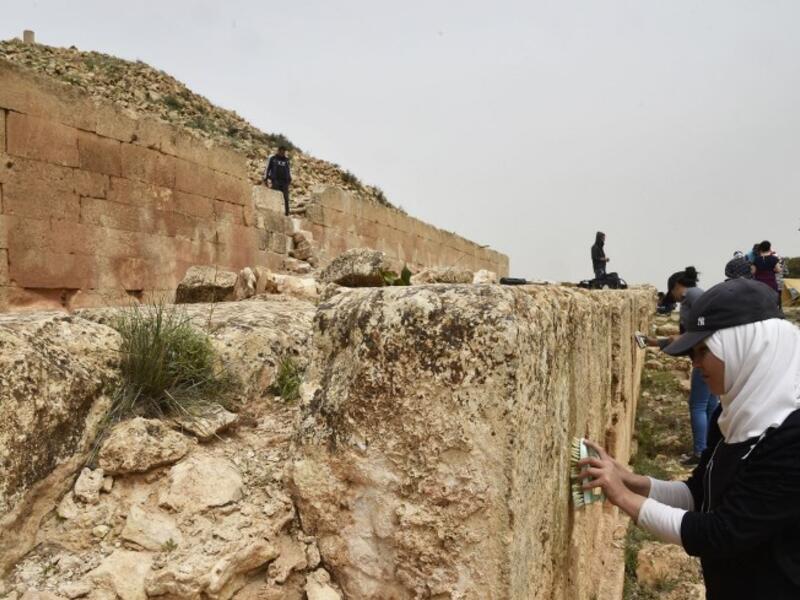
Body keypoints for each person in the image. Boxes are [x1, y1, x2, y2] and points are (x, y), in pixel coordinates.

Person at [578, 278, 799, 599]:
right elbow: (700, 494)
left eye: (702, 351)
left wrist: (623, 498)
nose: (695, 365)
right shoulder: (731, 418)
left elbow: (721, 532)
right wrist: (631, 480)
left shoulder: (792, 438)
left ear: (745, 348)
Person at [654, 267, 720, 464]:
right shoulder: (698, 294)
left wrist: (676, 339)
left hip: (706, 356)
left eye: (672, 293)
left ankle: (700, 452)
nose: (674, 299)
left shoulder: (691, 297)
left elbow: (699, 329)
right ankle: (710, 449)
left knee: (698, 405)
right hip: (713, 354)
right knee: (709, 405)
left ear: (676, 287)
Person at [263, 146, 292, 216]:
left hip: (284, 182)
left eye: (284, 151)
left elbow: (288, 170)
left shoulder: (286, 160)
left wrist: (289, 179)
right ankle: (273, 213)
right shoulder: (273, 158)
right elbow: (267, 168)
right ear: (278, 151)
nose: (282, 152)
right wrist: (265, 178)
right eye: (281, 150)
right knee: (274, 196)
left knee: (286, 198)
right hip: (275, 180)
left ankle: (286, 214)